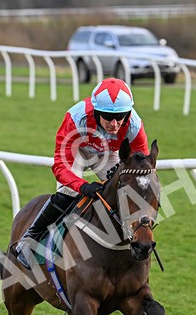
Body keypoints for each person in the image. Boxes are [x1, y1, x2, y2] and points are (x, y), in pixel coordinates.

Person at [14, 77, 150, 269]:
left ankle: (132, 243)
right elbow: (61, 167)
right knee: (69, 193)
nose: (114, 123)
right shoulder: (75, 119)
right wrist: (83, 186)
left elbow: (142, 169)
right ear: (95, 113)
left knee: (128, 192)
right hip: (78, 151)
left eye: (120, 117)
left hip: (107, 153)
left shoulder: (134, 125)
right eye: (108, 117)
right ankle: (30, 239)